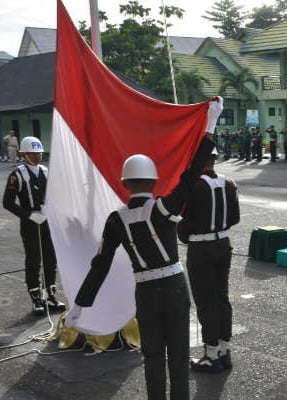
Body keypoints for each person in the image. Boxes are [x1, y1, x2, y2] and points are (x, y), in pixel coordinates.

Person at [69, 101, 221, 399]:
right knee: (178, 356)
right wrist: (211, 123)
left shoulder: (116, 220)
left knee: (152, 357)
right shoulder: (163, 208)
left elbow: (100, 264)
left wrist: (80, 304)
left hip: (146, 293)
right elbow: (192, 173)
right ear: (153, 181)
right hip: (174, 287)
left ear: (125, 183)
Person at [177, 147, 240, 373]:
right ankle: (224, 349)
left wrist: (184, 233)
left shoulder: (193, 185)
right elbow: (235, 218)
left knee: (206, 302)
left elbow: (184, 226)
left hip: (201, 248)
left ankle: (211, 355)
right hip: (223, 243)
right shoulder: (229, 183)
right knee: (222, 298)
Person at [3, 137, 66, 315]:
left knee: (50, 259)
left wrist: (51, 209)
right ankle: (36, 298)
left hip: (47, 220)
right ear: (24, 154)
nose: (37, 156)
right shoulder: (17, 174)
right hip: (30, 223)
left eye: (39, 153)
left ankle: (50, 294)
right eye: (33, 154)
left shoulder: (45, 171)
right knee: (33, 260)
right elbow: (7, 202)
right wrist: (29, 215)